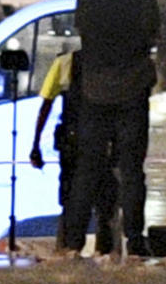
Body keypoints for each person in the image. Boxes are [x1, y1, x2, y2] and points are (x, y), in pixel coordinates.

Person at [64, 0, 160, 257]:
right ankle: (134, 237)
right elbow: (151, 38)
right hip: (132, 93)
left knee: (87, 169)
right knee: (132, 169)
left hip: (94, 94)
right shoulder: (145, 1)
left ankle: (74, 239)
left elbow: (83, 35)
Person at [30, 50, 117, 255]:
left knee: (72, 201)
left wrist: (35, 145)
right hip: (102, 143)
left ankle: (68, 251)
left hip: (74, 143)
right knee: (105, 204)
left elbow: (46, 104)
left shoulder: (64, 62)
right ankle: (104, 256)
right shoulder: (113, 61)